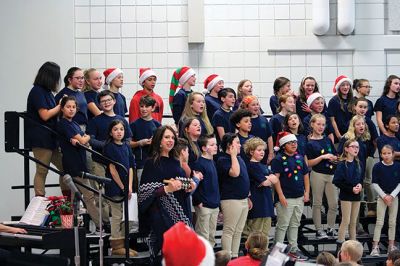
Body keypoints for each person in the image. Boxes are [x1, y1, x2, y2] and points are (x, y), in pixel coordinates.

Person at [138, 125, 196, 265]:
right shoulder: (151, 163)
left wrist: (188, 187)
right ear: (159, 141)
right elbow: (144, 193)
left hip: (180, 212)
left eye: (172, 137)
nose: (170, 140)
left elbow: (180, 186)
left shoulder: (176, 162)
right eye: (166, 137)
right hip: (161, 216)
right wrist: (166, 189)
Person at [57, 96, 100, 228]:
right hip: (74, 165)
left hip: (80, 162)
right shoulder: (64, 123)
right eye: (68, 107)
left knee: (75, 198)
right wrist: (87, 137)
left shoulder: (74, 123)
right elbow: (82, 141)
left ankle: (71, 225)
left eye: (73, 107)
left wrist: (84, 138)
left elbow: (83, 141)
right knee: (89, 195)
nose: (71, 109)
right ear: (62, 108)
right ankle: (100, 224)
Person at [26, 61, 68, 197]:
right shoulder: (37, 91)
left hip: (51, 137)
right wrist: (60, 105)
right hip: (41, 138)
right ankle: (39, 201)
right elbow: (45, 115)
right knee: (42, 170)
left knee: (65, 167)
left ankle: (67, 198)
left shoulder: (47, 92)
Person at [271, 131, 310, 261]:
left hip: (299, 196)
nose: (294, 144)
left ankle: (293, 248)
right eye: (290, 143)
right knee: (283, 225)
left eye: (295, 142)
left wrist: (307, 192)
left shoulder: (299, 157)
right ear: (283, 145)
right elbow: (276, 179)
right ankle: (277, 251)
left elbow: (305, 175)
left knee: (295, 224)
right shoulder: (278, 159)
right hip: (285, 197)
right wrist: (280, 196)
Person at [103, 119, 137, 257]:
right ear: (111, 132)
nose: (119, 132)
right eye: (115, 129)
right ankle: (116, 245)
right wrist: (122, 187)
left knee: (128, 216)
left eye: (121, 129)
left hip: (126, 186)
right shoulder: (109, 147)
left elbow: (130, 167)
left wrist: (129, 186)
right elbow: (112, 170)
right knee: (117, 215)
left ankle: (124, 243)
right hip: (115, 186)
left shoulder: (126, 146)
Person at [216, 133, 250, 258]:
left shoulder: (239, 158)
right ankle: (227, 257)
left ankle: (235, 256)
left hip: (243, 199)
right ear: (230, 146)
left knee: (238, 231)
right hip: (230, 199)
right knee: (229, 230)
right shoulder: (223, 160)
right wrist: (233, 155)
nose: (240, 145)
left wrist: (248, 196)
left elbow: (244, 177)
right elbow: (235, 173)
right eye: (237, 143)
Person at [305, 113, 338, 239]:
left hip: (331, 174)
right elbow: (308, 163)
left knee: (333, 203)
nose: (321, 127)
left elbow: (335, 156)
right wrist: (322, 157)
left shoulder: (328, 140)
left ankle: (330, 228)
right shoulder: (309, 143)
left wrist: (334, 158)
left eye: (323, 125)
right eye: (318, 124)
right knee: (317, 203)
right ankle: (319, 230)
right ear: (312, 124)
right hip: (317, 174)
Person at [242, 137, 277, 245]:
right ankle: (254, 256)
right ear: (251, 151)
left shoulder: (263, 166)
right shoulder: (251, 166)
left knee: (265, 234)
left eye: (263, 150)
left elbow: (275, 179)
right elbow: (265, 182)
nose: (262, 152)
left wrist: (269, 178)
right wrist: (269, 178)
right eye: (259, 150)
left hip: (266, 204)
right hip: (257, 205)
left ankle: (263, 256)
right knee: (256, 235)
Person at [370, 145, 400, 256]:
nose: (386, 155)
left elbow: (399, 184)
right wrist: (384, 196)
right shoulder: (377, 166)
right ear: (381, 155)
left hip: (394, 198)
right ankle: (375, 247)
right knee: (380, 222)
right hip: (382, 198)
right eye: (384, 153)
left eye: (388, 153)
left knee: (393, 222)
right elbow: (374, 183)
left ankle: (391, 245)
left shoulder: (397, 166)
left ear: (393, 154)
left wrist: (392, 196)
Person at [192, 135, 220, 247]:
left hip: (214, 204)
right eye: (212, 145)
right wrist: (198, 201)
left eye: (216, 144)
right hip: (204, 205)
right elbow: (196, 184)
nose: (215, 147)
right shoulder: (199, 163)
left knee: (211, 235)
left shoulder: (213, 162)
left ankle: (211, 260)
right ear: (204, 148)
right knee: (203, 235)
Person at [333, 139, 363, 245]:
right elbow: (336, 181)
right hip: (346, 195)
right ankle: (340, 244)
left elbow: (360, 179)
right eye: (353, 147)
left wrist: (360, 185)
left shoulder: (358, 163)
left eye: (357, 147)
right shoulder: (342, 164)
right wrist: (351, 189)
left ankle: (353, 245)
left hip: (356, 196)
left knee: (354, 222)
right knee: (346, 220)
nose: (356, 149)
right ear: (346, 149)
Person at [129, 95, 161, 185]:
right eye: (141, 106)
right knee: (142, 187)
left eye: (147, 106)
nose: (144, 109)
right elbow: (127, 143)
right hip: (141, 163)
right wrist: (139, 143)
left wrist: (155, 142)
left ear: (153, 108)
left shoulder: (157, 125)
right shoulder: (134, 125)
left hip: (155, 162)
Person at [241, 95, 274, 164]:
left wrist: (271, 153)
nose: (256, 107)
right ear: (247, 107)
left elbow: (269, 136)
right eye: (253, 105)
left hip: (263, 152)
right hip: (251, 153)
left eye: (257, 104)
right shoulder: (245, 121)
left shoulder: (263, 119)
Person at [328, 75, 354, 142]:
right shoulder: (333, 101)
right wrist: (339, 136)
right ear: (338, 87)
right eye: (343, 85)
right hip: (339, 136)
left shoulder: (352, 100)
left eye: (347, 85)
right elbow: (332, 120)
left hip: (351, 135)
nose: (345, 87)